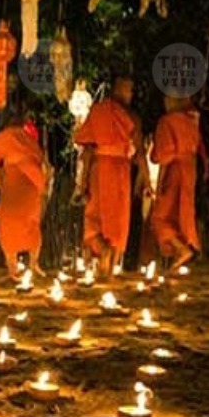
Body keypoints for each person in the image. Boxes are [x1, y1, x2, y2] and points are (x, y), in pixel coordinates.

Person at [75, 74, 144, 278]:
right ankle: (109, 268)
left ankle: (104, 259)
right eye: (128, 89)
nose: (130, 94)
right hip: (120, 170)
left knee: (94, 218)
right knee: (116, 220)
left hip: (101, 168)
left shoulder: (99, 112)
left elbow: (87, 149)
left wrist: (82, 183)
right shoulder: (131, 117)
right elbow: (139, 152)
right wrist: (145, 178)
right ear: (118, 88)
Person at [0, 109, 50, 278]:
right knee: (32, 224)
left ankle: (12, 268)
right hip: (31, 184)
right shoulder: (29, 140)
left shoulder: (2, 138)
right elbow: (41, 162)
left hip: (14, 184)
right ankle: (34, 263)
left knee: (7, 224)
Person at [149, 95, 203, 271]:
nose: (165, 103)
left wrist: (159, 185)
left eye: (167, 99)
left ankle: (182, 249)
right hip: (190, 169)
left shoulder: (168, 121)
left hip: (175, 170)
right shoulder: (191, 120)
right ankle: (180, 252)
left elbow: (164, 156)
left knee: (159, 216)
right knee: (179, 212)